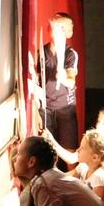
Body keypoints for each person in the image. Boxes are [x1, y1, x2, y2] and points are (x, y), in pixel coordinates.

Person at [35, 12, 79, 170]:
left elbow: (71, 80)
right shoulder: (41, 53)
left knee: (69, 153)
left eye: (60, 27)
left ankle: (71, 182)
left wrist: (63, 78)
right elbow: (36, 79)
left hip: (65, 109)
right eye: (53, 25)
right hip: (46, 109)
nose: (54, 29)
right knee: (47, 152)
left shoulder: (70, 54)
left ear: (67, 32)